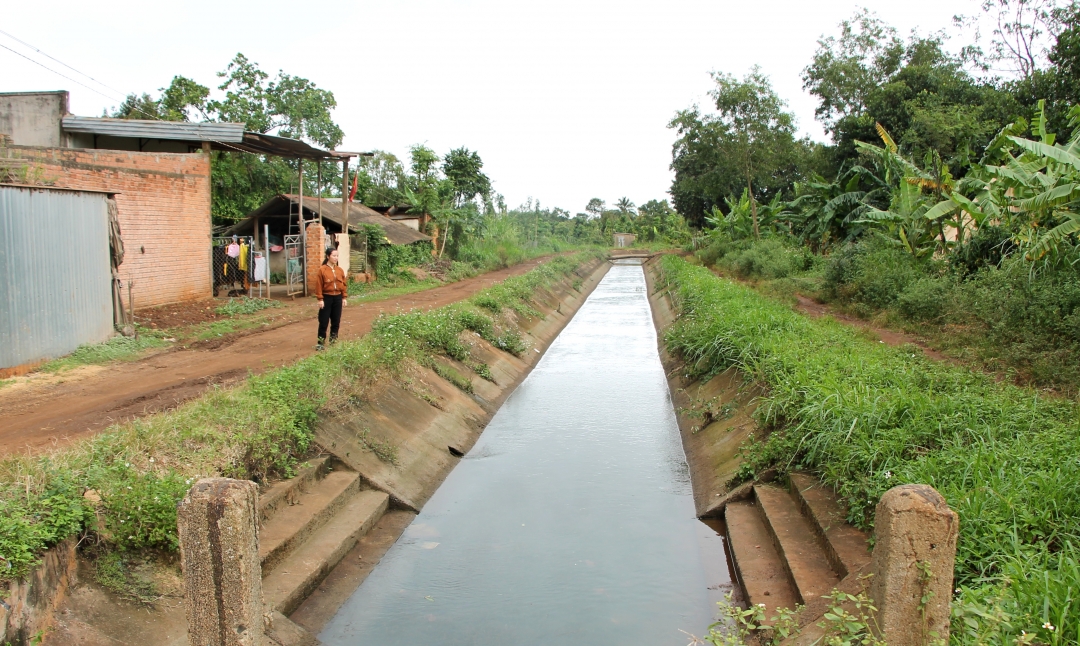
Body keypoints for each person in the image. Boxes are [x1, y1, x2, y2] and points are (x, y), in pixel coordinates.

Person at [314, 247, 347, 350]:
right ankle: (320, 343)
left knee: (336, 321)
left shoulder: (339, 270)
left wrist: (344, 297)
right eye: (334, 256)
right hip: (326, 298)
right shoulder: (322, 270)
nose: (336, 258)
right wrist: (320, 299)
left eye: (337, 256)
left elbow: (344, 284)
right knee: (323, 321)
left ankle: (333, 342)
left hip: (337, 298)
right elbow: (318, 285)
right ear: (328, 256)